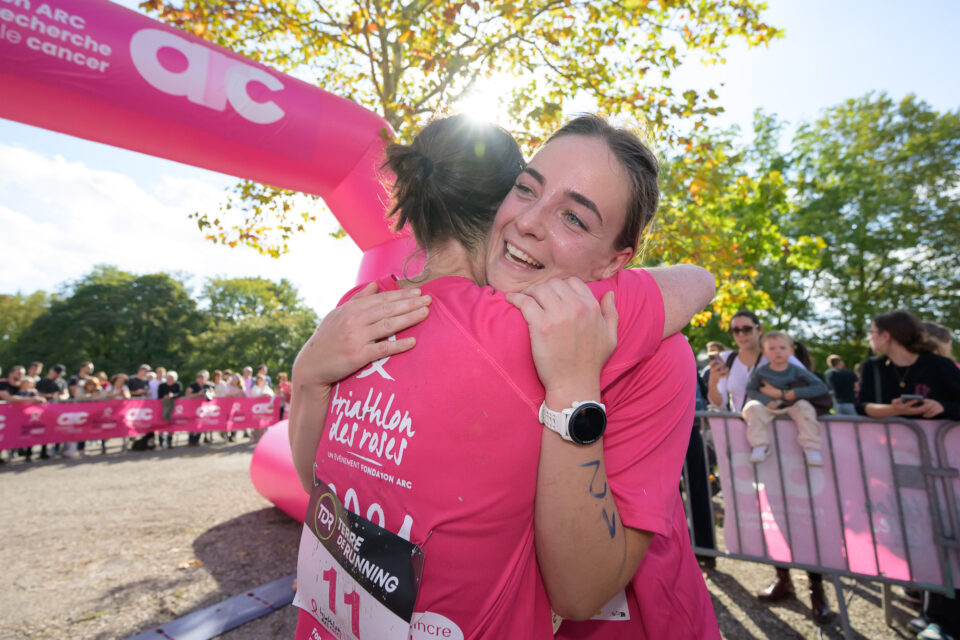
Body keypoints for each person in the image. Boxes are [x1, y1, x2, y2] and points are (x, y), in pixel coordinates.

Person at [290, 115, 718, 639]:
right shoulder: (402, 316)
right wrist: (309, 373)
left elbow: (583, 592)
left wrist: (574, 398)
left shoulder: (658, 354)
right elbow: (328, 490)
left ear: (616, 262)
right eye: (525, 190)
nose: (528, 222)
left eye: (574, 219)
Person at [705, 312, 831, 622]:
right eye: (735, 329)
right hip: (754, 447)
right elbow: (720, 404)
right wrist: (713, 380)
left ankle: (817, 588)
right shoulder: (729, 360)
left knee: (804, 514)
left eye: (747, 328)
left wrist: (785, 396)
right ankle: (783, 578)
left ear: (759, 330)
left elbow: (814, 390)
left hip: (789, 446)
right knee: (773, 512)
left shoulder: (778, 354)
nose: (741, 334)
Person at [858, 311, 960, 640]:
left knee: (949, 536)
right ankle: (932, 612)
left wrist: (942, 408)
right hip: (896, 466)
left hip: (946, 467)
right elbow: (861, 406)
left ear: (888, 335)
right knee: (923, 535)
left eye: (873, 331)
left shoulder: (939, 366)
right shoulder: (875, 368)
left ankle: (945, 620)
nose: (870, 337)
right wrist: (894, 411)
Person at [742, 330, 830, 466]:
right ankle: (760, 445)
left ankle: (811, 447)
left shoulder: (797, 370)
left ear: (791, 351)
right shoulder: (761, 371)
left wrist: (796, 393)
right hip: (769, 406)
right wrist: (766, 401)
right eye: (772, 348)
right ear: (764, 352)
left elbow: (820, 387)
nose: (778, 352)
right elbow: (751, 389)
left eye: (782, 348)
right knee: (752, 407)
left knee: (805, 408)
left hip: (793, 404)